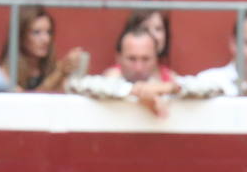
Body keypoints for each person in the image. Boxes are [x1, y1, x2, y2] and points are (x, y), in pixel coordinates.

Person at [67, 27, 220, 117]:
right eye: (132, 59)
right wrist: (136, 90)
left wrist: (171, 87)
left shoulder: (167, 84)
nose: (138, 67)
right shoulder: (110, 83)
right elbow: (75, 85)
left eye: (145, 59)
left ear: (156, 59)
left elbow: (217, 87)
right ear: (118, 58)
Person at [0, 4, 84, 92]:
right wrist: (59, 73)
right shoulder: (3, 73)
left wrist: (77, 71)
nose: (46, 39)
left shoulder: (56, 68)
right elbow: (27, 99)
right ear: (20, 36)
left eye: (49, 32)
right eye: (36, 32)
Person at [106, 10, 175, 81]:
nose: (153, 35)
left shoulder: (171, 77)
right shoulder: (114, 76)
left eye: (158, 29)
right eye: (145, 29)